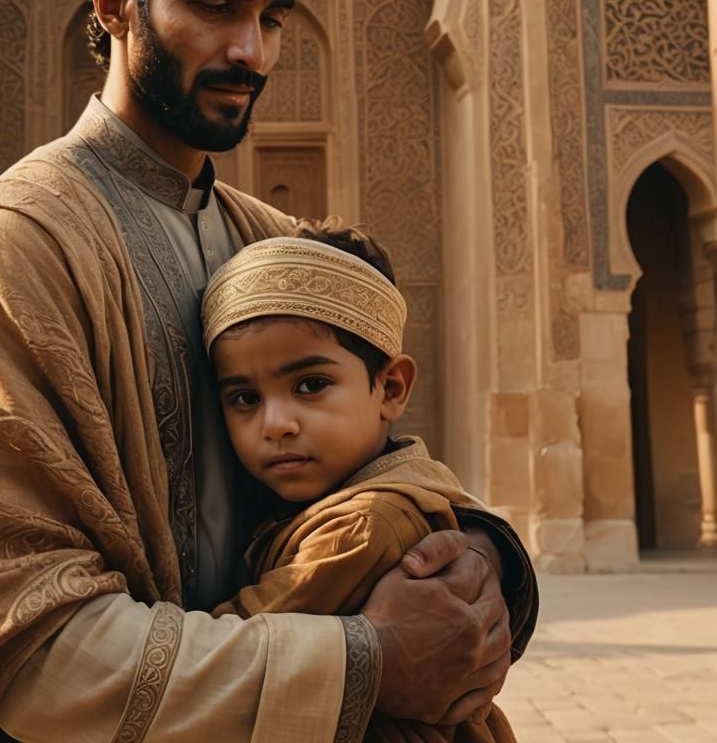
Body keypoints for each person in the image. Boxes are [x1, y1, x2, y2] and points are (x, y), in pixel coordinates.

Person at [0, 0, 536, 743]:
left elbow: (374, 468)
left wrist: (482, 558)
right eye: (216, 6)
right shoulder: (15, 248)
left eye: (272, 18)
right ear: (115, 2)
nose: (250, 52)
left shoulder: (271, 243)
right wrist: (369, 661)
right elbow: (25, 649)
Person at [204, 221, 519, 741]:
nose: (275, 423)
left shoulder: (361, 526)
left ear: (390, 388)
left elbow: (237, 645)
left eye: (311, 385)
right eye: (245, 398)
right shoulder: (389, 488)